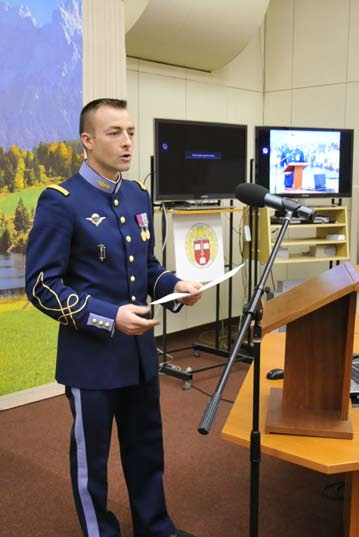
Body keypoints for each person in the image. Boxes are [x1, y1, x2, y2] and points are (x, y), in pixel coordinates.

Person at [25, 98, 203, 537]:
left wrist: (174, 287)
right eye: (114, 133)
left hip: (139, 355)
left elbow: (147, 269)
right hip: (92, 361)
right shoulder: (61, 202)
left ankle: (155, 528)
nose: (126, 142)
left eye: (130, 132)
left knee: (147, 450)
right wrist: (109, 317)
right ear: (87, 141)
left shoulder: (137, 194)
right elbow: (42, 286)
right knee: (93, 465)